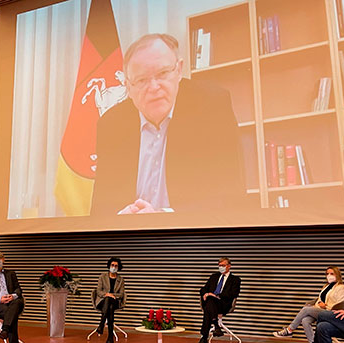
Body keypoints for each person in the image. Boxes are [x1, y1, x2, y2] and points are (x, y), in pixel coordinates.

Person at [92, 33, 247, 216]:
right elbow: (100, 208)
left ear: (179, 70)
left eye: (163, 73)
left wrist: (165, 218)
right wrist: (119, 219)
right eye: (141, 80)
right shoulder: (111, 125)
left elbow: (230, 199)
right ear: (128, 87)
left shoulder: (211, 107)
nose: (154, 87)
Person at [273, 266, 344, 343]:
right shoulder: (326, 286)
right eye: (327, 274)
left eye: (332, 273)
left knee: (306, 309)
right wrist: (318, 303)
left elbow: (340, 304)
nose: (329, 276)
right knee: (305, 320)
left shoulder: (341, 288)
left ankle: (289, 330)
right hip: (321, 311)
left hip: (331, 313)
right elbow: (320, 299)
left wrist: (325, 306)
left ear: (337, 274)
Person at [196, 257, 241, 343]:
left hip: (224, 304)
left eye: (223, 265)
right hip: (212, 303)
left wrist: (217, 295)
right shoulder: (214, 277)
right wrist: (205, 293)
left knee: (209, 306)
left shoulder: (235, 279)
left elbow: (234, 293)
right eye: (219, 265)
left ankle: (204, 337)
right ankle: (215, 326)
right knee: (210, 302)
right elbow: (203, 288)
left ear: (229, 266)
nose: (221, 267)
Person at [92, 257, 125, 343]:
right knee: (109, 307)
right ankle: (110, 336)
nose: (114, 267)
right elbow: (98, 291)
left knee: (110, 301)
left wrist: (112, 295)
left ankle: (101, 325)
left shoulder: (121, 280)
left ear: (118, 268)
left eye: (116, 266)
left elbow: (121, 294)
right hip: (102, 301)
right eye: (112, 265)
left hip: (115, 301)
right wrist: (107, 294)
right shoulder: (102, 276)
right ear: (109, 266)